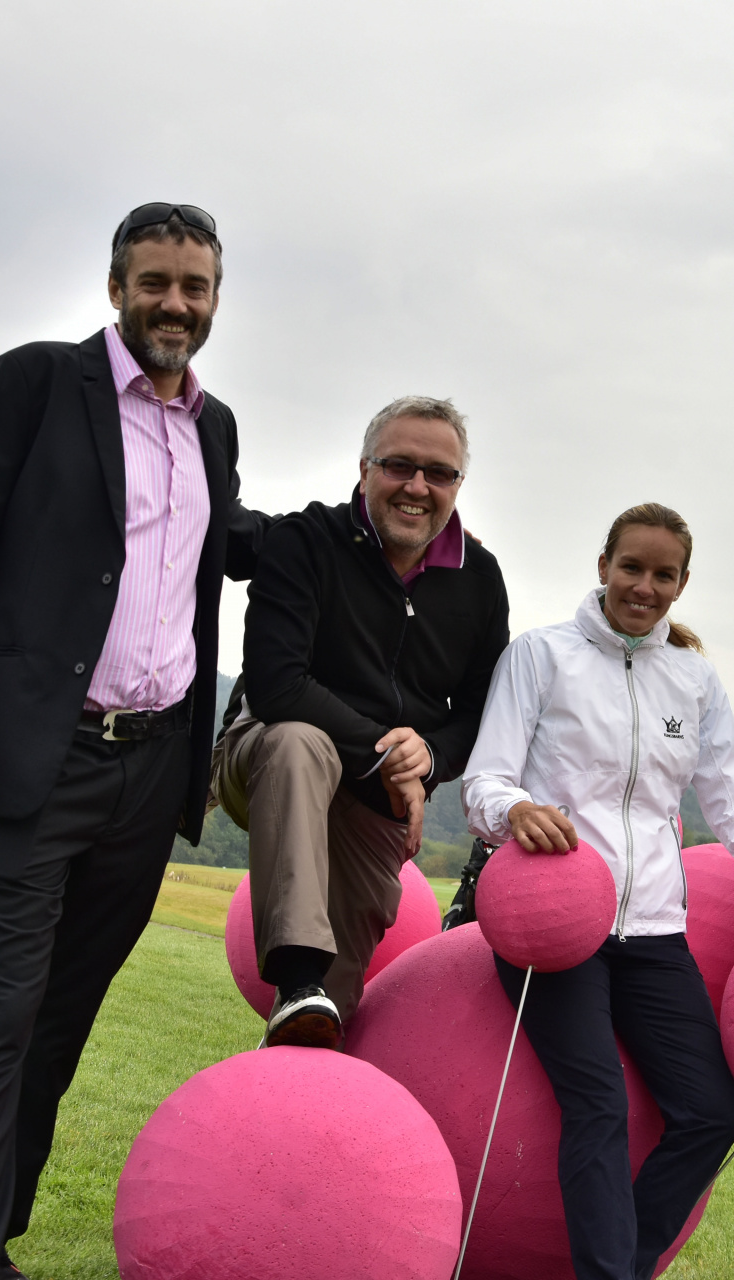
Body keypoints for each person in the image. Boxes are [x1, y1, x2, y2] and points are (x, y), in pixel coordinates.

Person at [0, 204, 271, 1280]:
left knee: (59, 1022)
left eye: (194, 287)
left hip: (150, 775)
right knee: (0, 1020)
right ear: (116, 289)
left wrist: (371, 518)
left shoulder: (214, 427)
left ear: (215, 300)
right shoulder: (34, 383)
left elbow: (231, 541)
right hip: (28, 759)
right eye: (155, 282)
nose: (174, 304)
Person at [461, 503, 734, 1280]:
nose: (644, 586)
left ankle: (623, 1266)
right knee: (598, 1104)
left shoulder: (694, 679)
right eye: (631, 567)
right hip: (557, 928)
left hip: (653, 935)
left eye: (662, 574)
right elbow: (484, 784)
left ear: (682, 583)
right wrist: (517, 810)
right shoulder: (541, 655)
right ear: (603, 566)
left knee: (709, 1116)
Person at [212, 395, 510, 1045]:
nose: (418, 486)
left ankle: (295, 1040)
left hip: (378, 800)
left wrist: (429, 757)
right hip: (267, 754)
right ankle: (296, 971)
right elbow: (278, 685)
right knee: (299, 743)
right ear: (364, 468)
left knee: (324, 1019)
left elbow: (483, 713)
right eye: (399, 465)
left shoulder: (481, 578)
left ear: (458, 484)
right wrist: (390, 754)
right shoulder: (304, 541)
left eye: (439, 473)